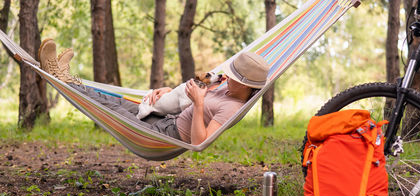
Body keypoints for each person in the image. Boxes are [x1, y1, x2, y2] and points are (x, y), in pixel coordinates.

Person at [38, 39, 270, 145]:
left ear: (247, 85)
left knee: (109, 107)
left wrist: (199, 104)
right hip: (165, 116)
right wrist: (171, 92)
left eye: (233, 76)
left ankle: (58, 77)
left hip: (161, 135)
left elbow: (200, 142)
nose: (226, 76)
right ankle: (66, 78)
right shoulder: (224, 87)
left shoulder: (232, 108)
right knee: (112, 97)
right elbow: (187, 94)